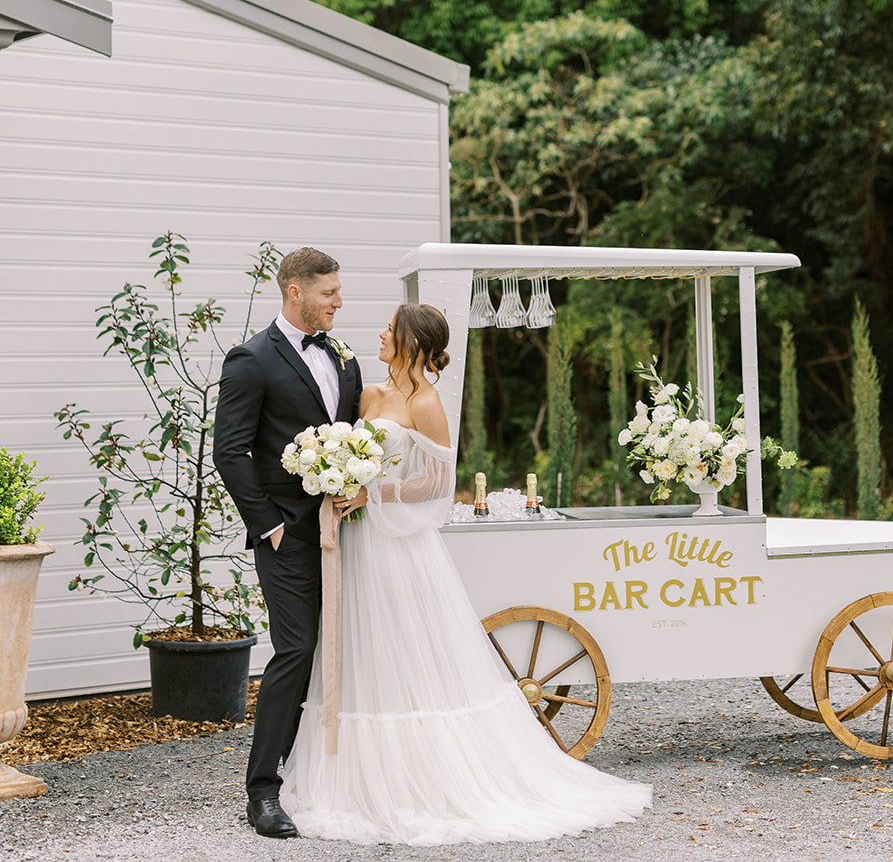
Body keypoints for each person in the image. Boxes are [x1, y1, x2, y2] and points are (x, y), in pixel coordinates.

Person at [282, 303, 651, 844]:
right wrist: (337, 478)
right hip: (359, 539)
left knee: (406, 647)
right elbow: (354, 449)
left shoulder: (427, 402)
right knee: (361, 646)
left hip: (397, 544)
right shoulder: (368, 393)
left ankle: (423, 781)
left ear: (411, 343)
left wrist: (371, 490)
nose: (381, 335)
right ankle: (352, 781)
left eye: (390, 330)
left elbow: (435, 484)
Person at [213, 247, 362, 839]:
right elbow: (231, 450)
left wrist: (361, 490)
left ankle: (327, 776)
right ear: (295, 292)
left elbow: (355, 437)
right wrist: (269, 525)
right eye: (329, 293)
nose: (339, 302)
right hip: (288, 536)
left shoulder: (345, 359)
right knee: (296, 650)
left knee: (347, 649)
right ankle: (263, 790)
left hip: (348, 530)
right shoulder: (251, 359)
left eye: (338, 291)